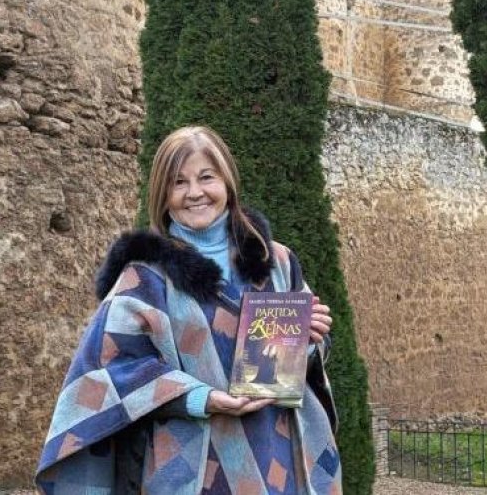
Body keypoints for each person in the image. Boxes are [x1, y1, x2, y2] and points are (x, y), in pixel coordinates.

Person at [36, 126, 343, 494]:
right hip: (190, 469)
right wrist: (201, 397)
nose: (194, 192)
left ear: (227, 182)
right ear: (163, 195)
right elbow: (106, 373)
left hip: (280, 455)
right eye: (178, 182)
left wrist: (308, 341)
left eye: (206, 177)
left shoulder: (275, 261)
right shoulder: (144, 279)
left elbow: (302, 361)